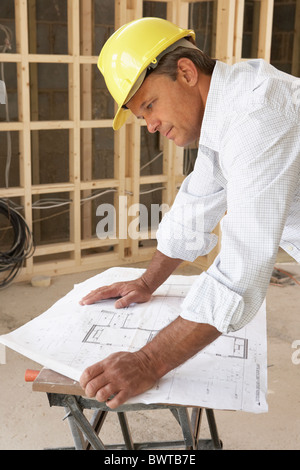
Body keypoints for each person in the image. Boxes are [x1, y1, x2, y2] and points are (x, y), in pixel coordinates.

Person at [79, 17, 300, 409]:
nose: (150, 126)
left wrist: (148, 361)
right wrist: (147, 282)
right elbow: (196, 205)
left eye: (150, 105)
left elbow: (243, 268)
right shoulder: (226, 110)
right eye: (140, 116)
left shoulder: (257, 114)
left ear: (185, 72)